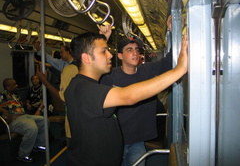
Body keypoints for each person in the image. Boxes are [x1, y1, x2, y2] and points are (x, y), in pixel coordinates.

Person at [64, 32, 188, 165]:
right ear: (87, 58)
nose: (110, 55)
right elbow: (128, 96)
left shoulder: (87, 85)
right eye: (104, 51)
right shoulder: (83, 89)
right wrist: (180, 69)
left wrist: (102, 39)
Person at [36, 25, 112, 164]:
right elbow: (52, 62)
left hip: (75, 127)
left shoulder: (70, 70)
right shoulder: (72, 67)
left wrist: (45, 82)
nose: (61, 54)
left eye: (62, 52)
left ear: (71, 53)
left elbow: (62, 97)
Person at [100, 37, 172, 166]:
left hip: (138, 139)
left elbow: (169, 61)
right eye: (129, 50)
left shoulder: (147, 71)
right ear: (120, 56)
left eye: (136, 50)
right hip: (115, 139)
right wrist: (103, 38)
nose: (135, 53)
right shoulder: (109, 77)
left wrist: (173, 33)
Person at [0, 78, 46, 163]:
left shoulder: (15, 95)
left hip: (24, 116)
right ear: (8, 87)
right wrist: (4, 111)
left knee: (44, 121)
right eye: (14, 85)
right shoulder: (2, 95)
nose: (16, 86)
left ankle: (38, 145)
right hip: (14, 120)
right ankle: (23, 154)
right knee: (32, 128)